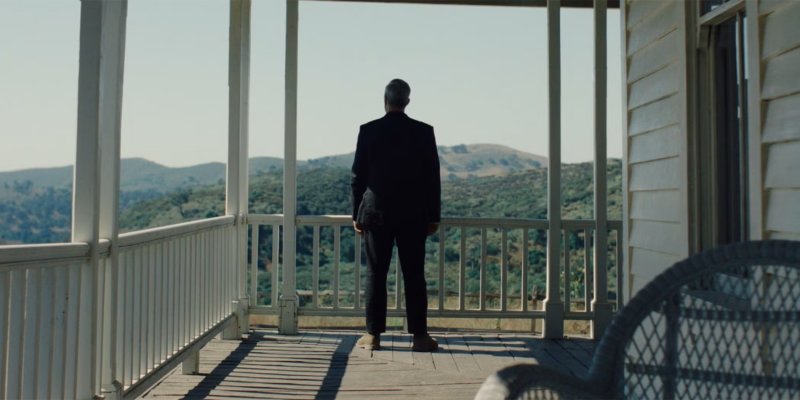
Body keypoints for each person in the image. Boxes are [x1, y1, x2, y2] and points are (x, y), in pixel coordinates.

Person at [351, 78, 441, 352]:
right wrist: (434, 216)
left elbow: (357, 176)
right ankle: (420, 336)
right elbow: (432, 177)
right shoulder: (424, 132)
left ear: (385, 100)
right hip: (414, 214)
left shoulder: (369, 130)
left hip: (376, 213)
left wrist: (356, 214)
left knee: (376, 274)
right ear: (407, 101)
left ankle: (373, 335)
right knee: (414, 274)